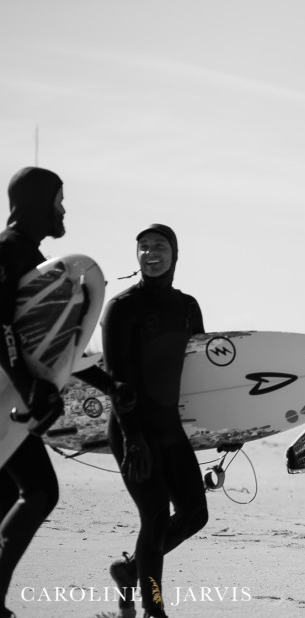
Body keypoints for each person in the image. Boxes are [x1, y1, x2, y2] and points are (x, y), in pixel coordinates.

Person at [0, 167, 132, 618]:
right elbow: (0, 328)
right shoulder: (7, 250)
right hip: (8, 400)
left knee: (11, 495)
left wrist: (109, 383)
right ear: (38, 201)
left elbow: (54, 347)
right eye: (59, 199)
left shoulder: (32, 258)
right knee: (39, 491)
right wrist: (29, 387)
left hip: (16, 401)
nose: (64, 209)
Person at [104, 224, 209, 618]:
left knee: (195, 514)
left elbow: (202, 374)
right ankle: (154, 609)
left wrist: (225, 429)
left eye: (159, 246)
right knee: (154, 517)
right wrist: (132, 437)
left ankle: (130, 570)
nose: (151, 253)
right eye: (143, 247)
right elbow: (116, 381)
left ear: (174, 253)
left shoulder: (187, 307)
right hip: (132, 428)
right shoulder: (123, 307)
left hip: (171, 426)